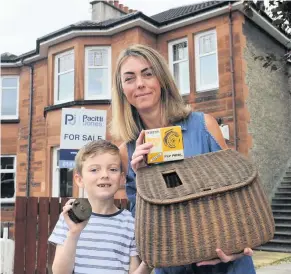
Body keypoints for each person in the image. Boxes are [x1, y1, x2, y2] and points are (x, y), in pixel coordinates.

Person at [110, 44, 256, 274]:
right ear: (122, 90)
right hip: (172, 268)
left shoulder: (204, 125)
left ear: (162, 79)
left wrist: (239, 245)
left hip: (225, 263)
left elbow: (235, 193)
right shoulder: (126, 151)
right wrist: (143, 177)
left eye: (148, 74)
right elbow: (142, 225)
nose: (139, 83)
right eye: (129, 78)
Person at [48, 140, 152, 274]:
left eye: (113, 169)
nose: (104, 175)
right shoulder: (69, 219)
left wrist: (148, 263)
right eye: (94, 170)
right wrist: (74, 233)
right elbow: (60, 272)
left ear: (121, 178)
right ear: (80, 180)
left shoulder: (130, 223)